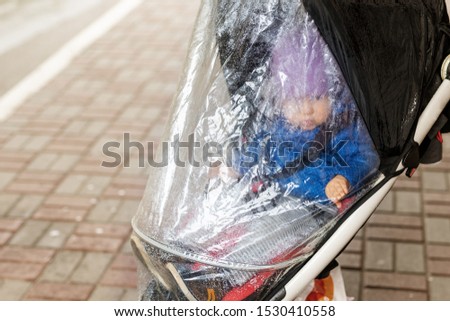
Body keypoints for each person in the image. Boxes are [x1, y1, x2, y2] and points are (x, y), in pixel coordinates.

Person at [133, 19, 380, 301]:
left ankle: (217, 281)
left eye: (317, 96)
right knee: (225, 210)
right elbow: (260, 152)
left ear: (332, 94)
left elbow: (364, 156)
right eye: (296, 100)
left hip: (309, 210)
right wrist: (233, 165)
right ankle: (184, 250)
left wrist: (343, 176)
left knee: (265, 240)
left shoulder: (339, 129)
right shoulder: (279, 127)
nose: (307, 108)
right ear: (282, 100)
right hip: (269, 195)